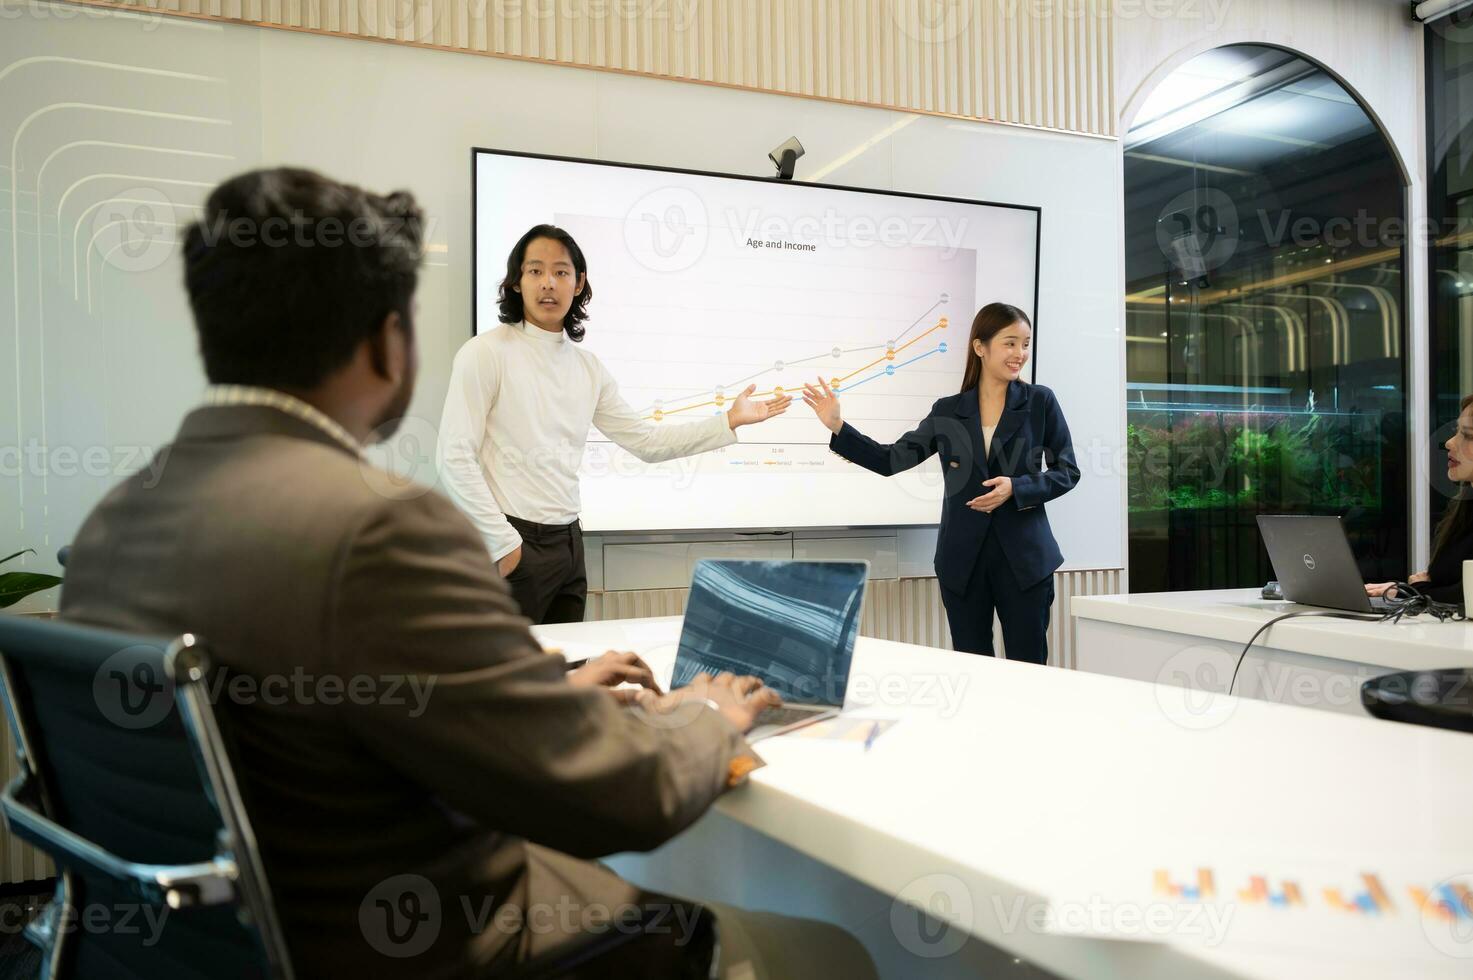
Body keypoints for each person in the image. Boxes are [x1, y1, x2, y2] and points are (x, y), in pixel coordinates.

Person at [60, 168, 874, 979]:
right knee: (822, 951)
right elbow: (611, 798)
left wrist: (541, 688)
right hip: (418, 938)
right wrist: (705, 716)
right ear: (387, 341)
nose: (549, 283)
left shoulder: (109, 528)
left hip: (217, 944)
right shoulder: (378, 528)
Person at [438, 225, 792, 625]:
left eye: (561, 271)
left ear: (579, 282)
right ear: (516, 282)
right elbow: (453, 456)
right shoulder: (485, 353)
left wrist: (727, 421)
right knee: (508, 682)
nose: (548, 283)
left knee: (569, 676)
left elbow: (647, 442)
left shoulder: (588, 368)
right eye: (535, 271)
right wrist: (504, 545)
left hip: (569, 542)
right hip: (514, 540)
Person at [802, 302, 1079, 664]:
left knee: (1028, 669)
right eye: (1010, 343)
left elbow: (1067, 471)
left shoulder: (1040, 401)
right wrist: (839, 427)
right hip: (963, 563)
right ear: (980, 347)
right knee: (971, 668)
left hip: (1026, 562)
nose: (1020, 354)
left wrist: (1017, 488)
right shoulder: (948, 410)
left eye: (1025, 344)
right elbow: (891, 460)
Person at [1367, 393, 1473, 605]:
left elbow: (1466, 595)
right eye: (1456, 433)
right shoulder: (1463, 508)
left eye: (1468, 435)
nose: (1450, 443)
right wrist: (1406, 590)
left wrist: (1417, 590)